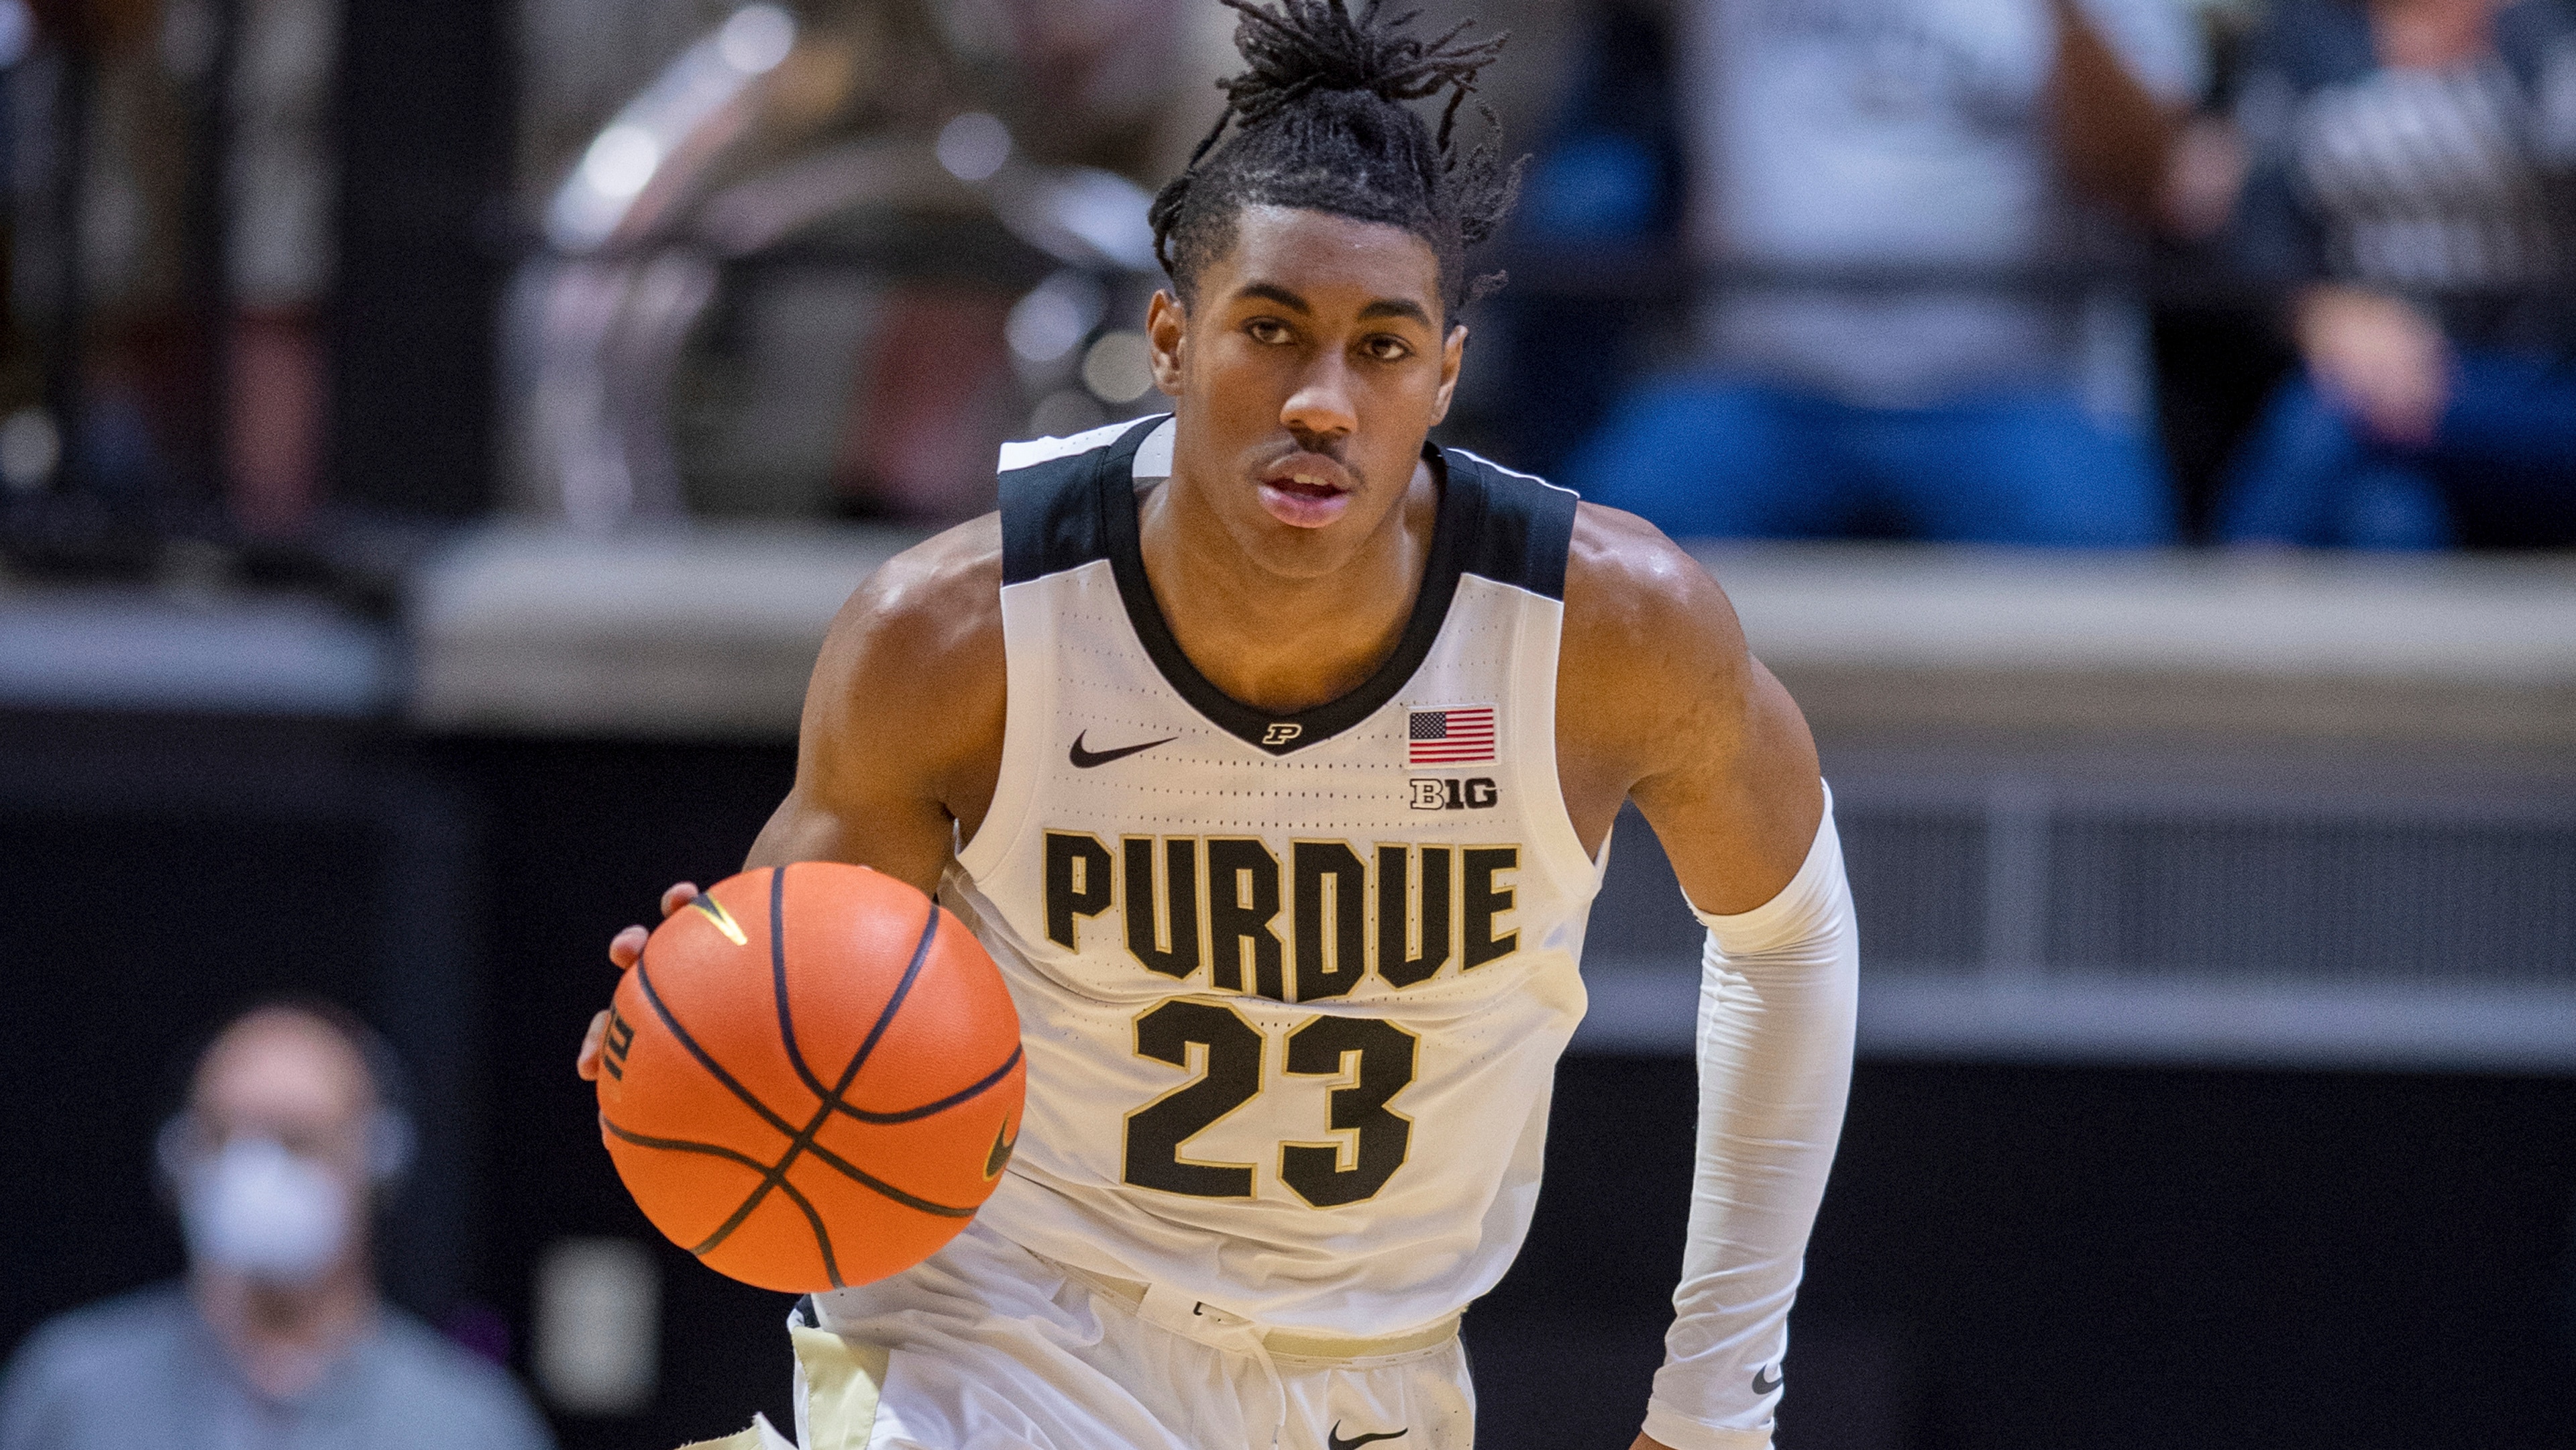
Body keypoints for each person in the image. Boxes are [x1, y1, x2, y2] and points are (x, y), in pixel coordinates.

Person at [578, 3, 1858, 1447]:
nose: (1323, 400)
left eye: (1381, 349)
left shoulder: (1609, 630)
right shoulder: (953, 634)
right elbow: (797, 1002)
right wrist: (707, 999)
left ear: (1443, 376)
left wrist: (1716, 1404)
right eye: (1271, 331)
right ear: (1172, 339)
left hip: (1372, 1374)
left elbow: (1789, 936)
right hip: (1007, 1328)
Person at [1563, 0, 2208, 545]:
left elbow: (2145, 182)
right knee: (1596, 552)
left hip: (2009, 397)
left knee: (2107, 557)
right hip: (1760, 392)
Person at [0, 1003, 554, 1450]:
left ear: (380, 1163)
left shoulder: (467, 1422)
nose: (257, 1169)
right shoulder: (72, 1390)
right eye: (222, 1135)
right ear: (176, 1159)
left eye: (298, 1138)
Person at [2217, 0, 2576, 549]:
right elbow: (2257, 219)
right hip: (2365, 362)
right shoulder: (2308, 31)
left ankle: (2231, 601)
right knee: (2390, 520)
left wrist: (2513, 43)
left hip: (2536, 383)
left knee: (2328, 416)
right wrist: (2317, 309)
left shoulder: (2548, 25)